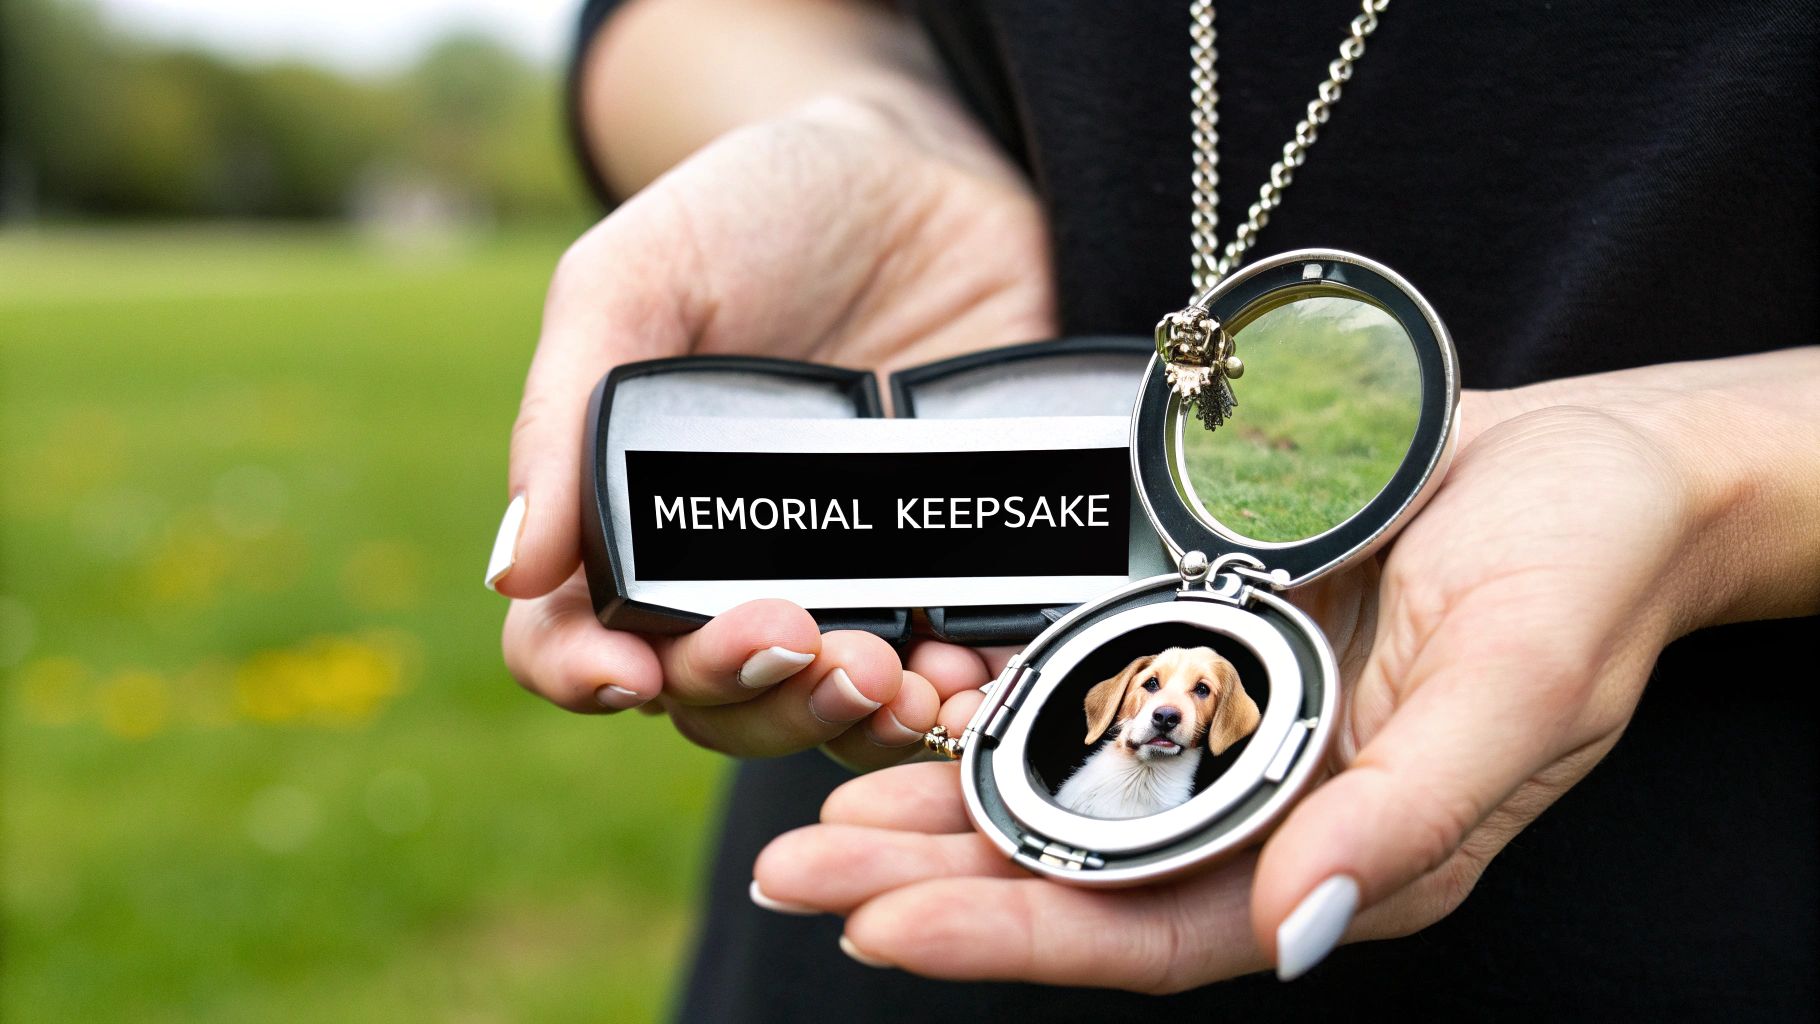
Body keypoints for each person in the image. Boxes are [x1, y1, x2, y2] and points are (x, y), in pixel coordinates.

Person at [486, 1, 1818, 1018]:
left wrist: (1711, 469)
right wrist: (862, 125)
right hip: (901, 782)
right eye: (1158, 694)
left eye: (1186, 694)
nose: (1171, 703)